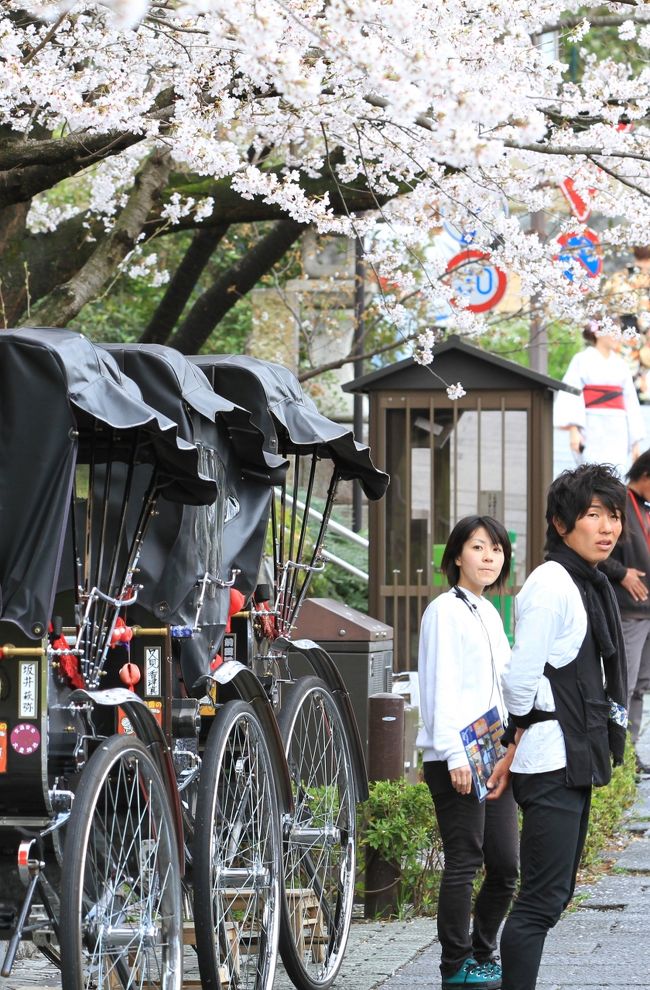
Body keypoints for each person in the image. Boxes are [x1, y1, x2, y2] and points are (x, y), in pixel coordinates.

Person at [498, 464, 628, 990]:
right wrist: (525, 729)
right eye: (593, 515)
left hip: (570, 757)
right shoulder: (553, 585)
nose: (607, 528)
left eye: (614, 516)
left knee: (551, 898)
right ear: (560, 522)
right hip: (552, 759)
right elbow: (518, 680)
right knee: (539, 903)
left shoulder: (586, 582)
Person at [416, 516, 519, 990]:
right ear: (458, 555)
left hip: (492, 753)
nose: (489, 557)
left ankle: (483, 952)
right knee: (465, 859)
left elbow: (505, 684)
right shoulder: (444, 610)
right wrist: (453, 755)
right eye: (479, 548)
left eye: (496, 550)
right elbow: (438, 688)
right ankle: (455, 966)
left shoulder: (490, 611)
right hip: (455, 755)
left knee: (505, 865)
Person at [599, 449, 650, 768]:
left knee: (641, 686)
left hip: (647, 612)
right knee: (624, 683)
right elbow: (597, 551)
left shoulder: (643, 508)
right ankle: (614, 753)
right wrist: (623, 573)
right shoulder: (616, 503)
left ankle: (628, 754)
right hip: (629, 612)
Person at [554, 323, 644, 479]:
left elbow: (631, 402)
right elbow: (572, 393)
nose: (617, 336)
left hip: (618, 426)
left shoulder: (621, 364)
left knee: (617, 471)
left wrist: (635, 442)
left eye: (618, 332)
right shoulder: (581, 359)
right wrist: (574, 430)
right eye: (612, 332)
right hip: (590, 422)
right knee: (590, 471)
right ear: (598, 333)